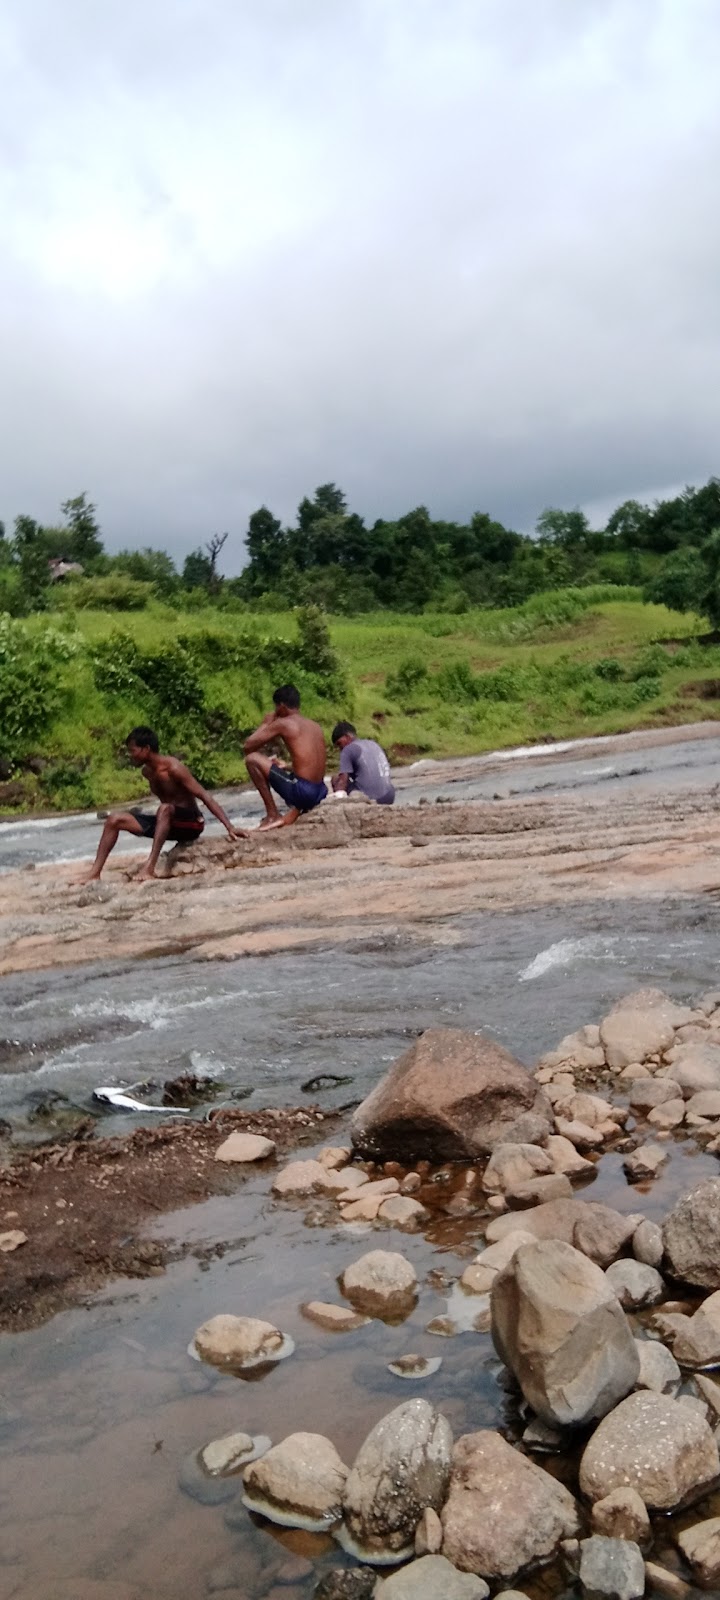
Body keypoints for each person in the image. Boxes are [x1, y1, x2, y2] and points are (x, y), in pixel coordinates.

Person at [80, 727, 242, 882]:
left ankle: (150, 867)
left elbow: (204, 795)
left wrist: (229, 827)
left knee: (164, 809)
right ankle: (94, 873)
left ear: (146, 749)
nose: (131, 755)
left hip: (191, 824)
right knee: (114, 820)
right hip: (167, 822)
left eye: (133, 750)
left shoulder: (173, 767)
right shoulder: (147, 772)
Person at [244, 685, 327, 830]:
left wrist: (266, 723)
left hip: (303, 792)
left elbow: (248, 746)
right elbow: (310, 763)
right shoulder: (314, 725)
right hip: (320, 791)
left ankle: (272, 814)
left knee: (252, 759)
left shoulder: (284, 723)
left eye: (276, 707)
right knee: (282, 770)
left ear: (281, 706)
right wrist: (285, 766)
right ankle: (296, 809)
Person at [331, 722, 395, 805]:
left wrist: (336, 798)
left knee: (335, 778)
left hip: (371, 798)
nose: (340, 748)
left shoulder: (348, 750)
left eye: (339, 744)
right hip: (389, 796)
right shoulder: (373, 744)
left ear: (347, 737)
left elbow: (343, 781)